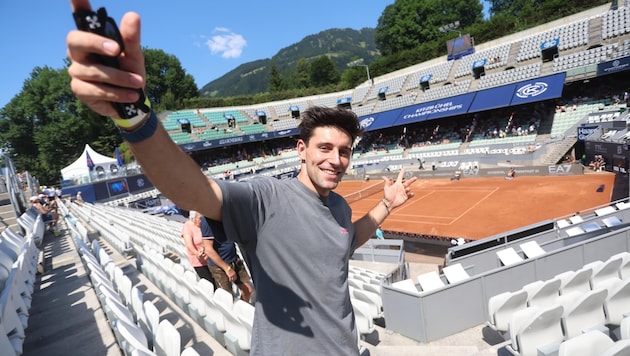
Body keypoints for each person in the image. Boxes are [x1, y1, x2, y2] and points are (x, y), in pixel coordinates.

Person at [66, 2, 416, 353]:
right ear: (301, 149)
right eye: (324, 148)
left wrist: (387, 204)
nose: (336, 160)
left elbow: (347, 242)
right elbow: (192, 191)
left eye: (344, 151)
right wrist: (134, 115)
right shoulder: (265, 199)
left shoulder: (339, 207)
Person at [200, 217, 254, 302]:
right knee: (227, 299)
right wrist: (227, 269)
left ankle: (240, 312)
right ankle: (230, 314)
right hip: (220, 266)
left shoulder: (226, 215)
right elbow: (209, 250)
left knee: (248, 290)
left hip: (234, 259)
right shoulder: (207, 221)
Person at [181, 211, 214, 283]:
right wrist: (196, 253)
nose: (201, 220)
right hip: (199, 261)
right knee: (210, 283)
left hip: (211, 258)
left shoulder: (204, 224)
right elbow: (189, 244)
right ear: (193, 219)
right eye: (200, 218)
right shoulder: (187, 226)